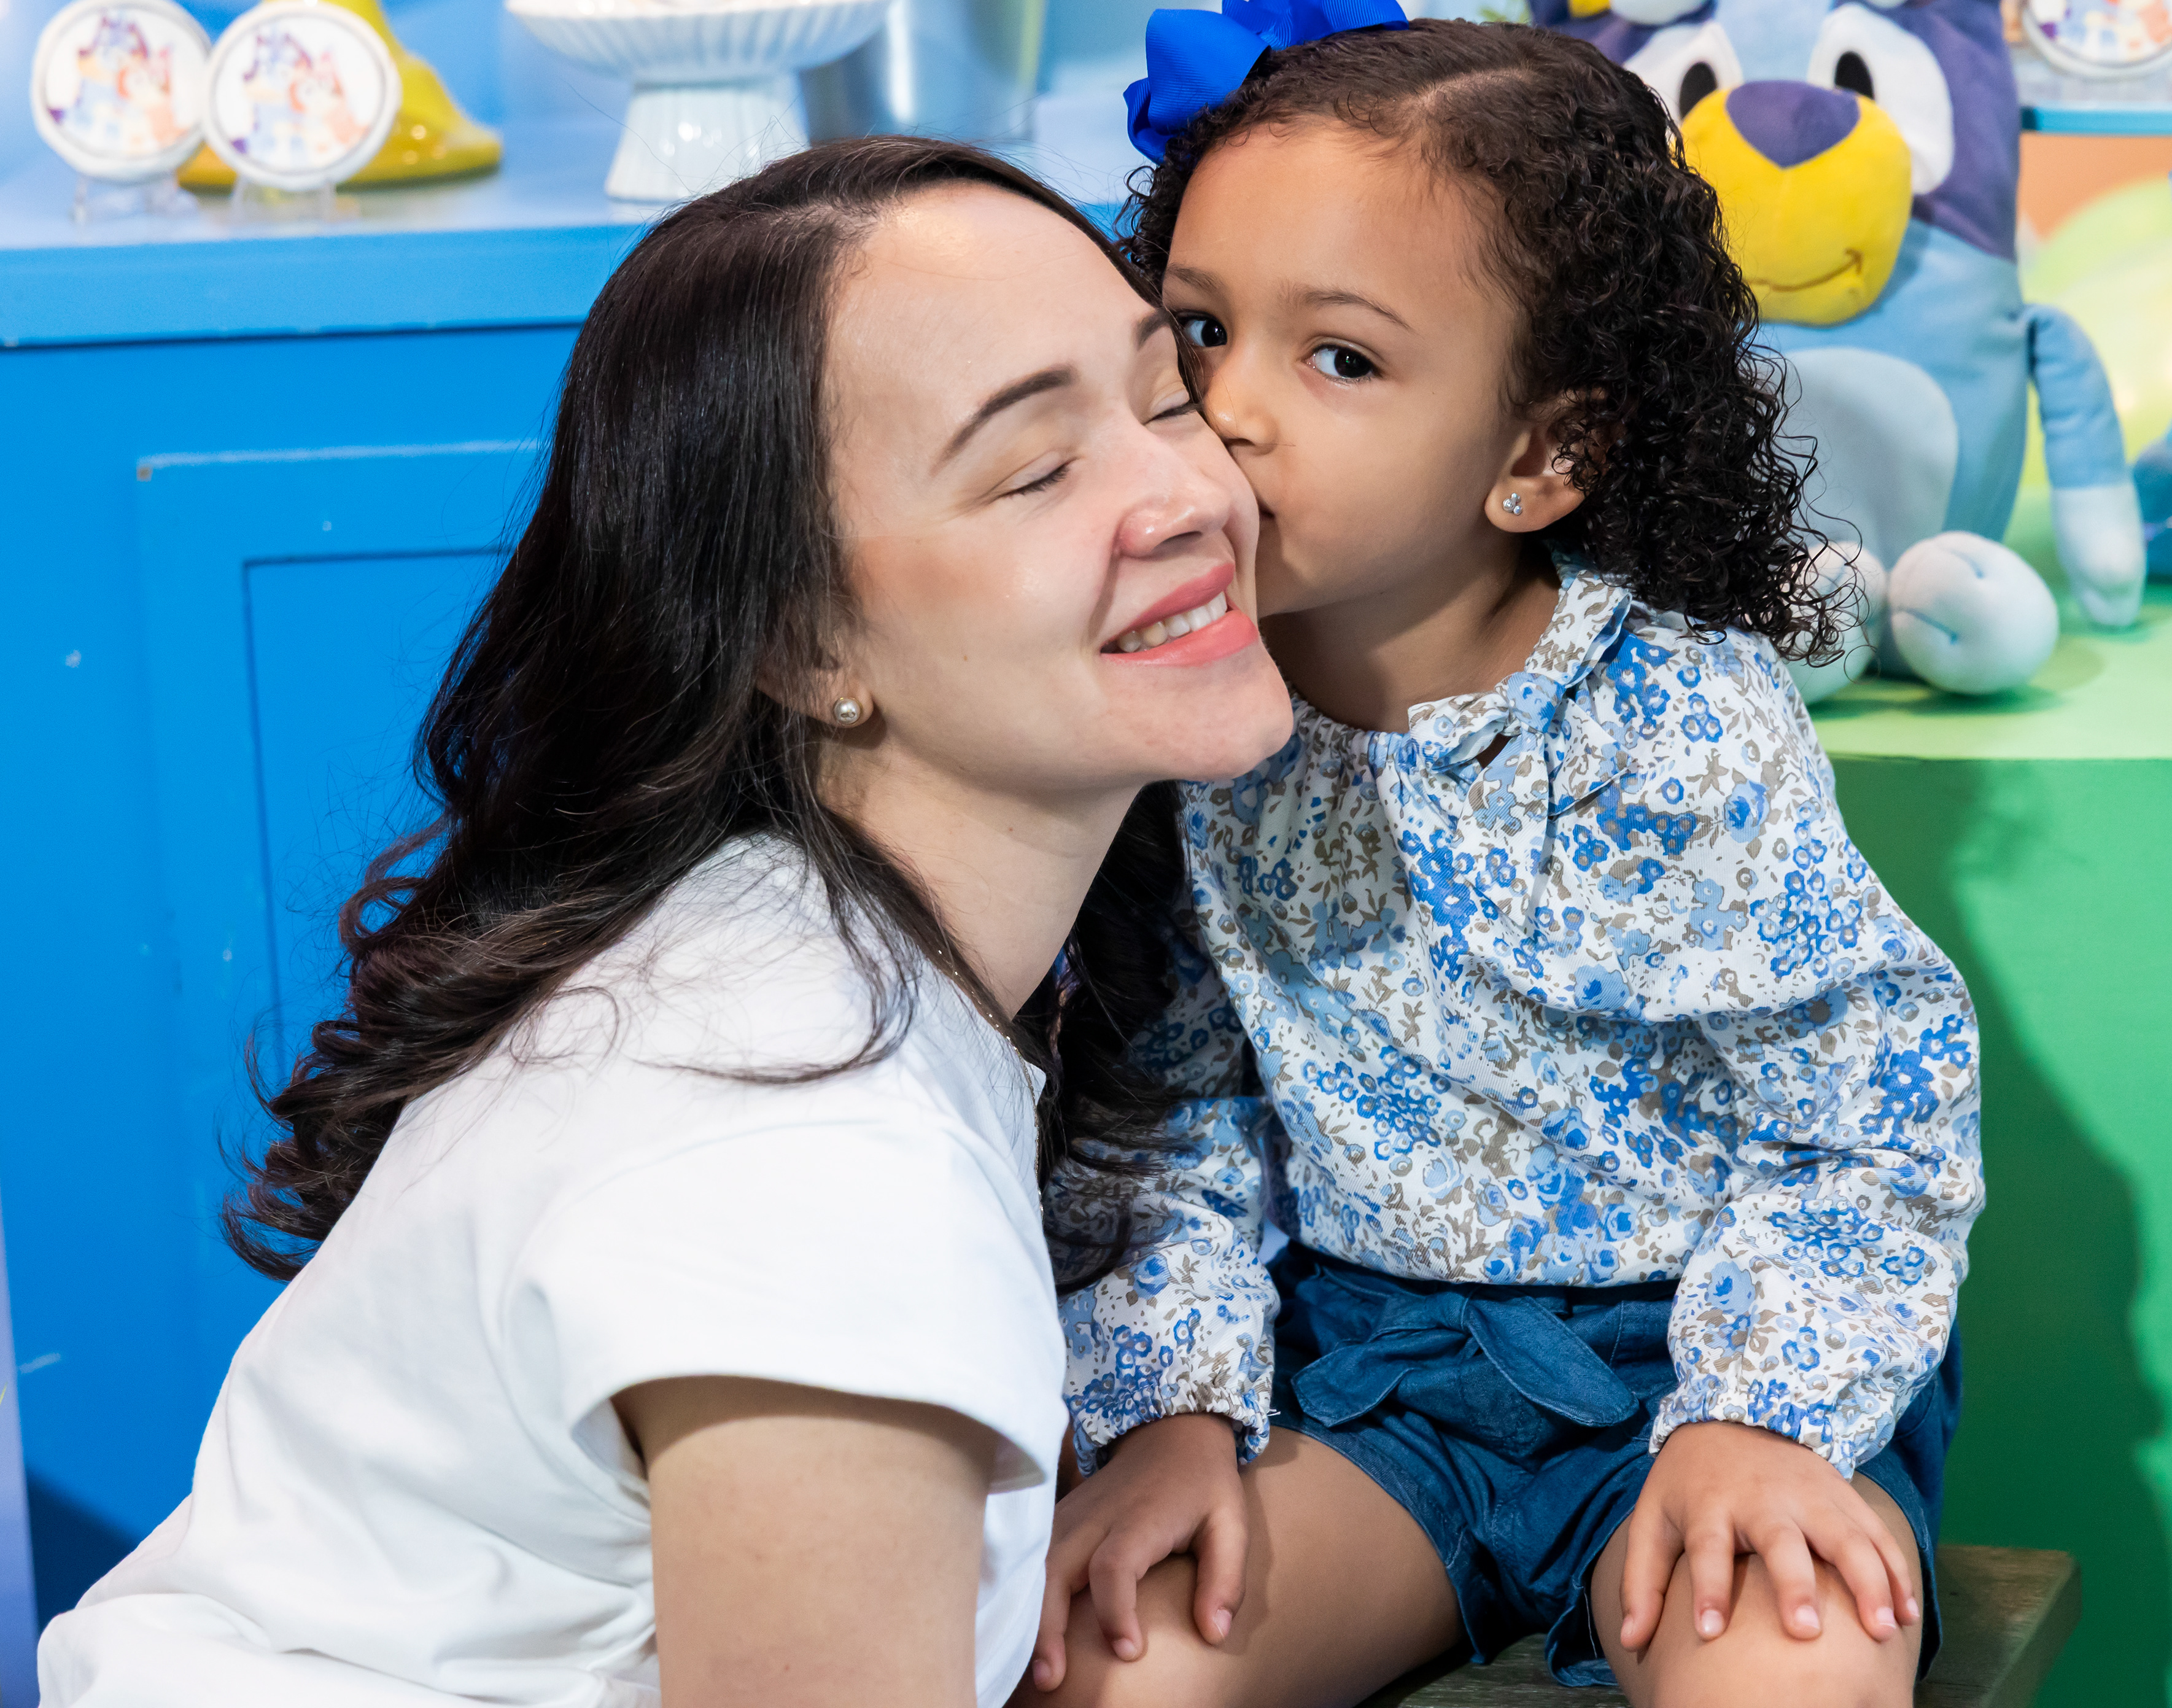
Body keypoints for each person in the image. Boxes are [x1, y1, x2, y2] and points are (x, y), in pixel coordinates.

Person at [37, 136, 1297, 1708]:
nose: (1187, 494)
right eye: (1036, 470)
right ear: (801, 642)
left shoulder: (786, 927)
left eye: (1168, 397)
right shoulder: (817, 1171)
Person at [1025, 0, 1984, 1708]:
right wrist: (1167, 1415)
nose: (1230, 412)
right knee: (1117, 1660)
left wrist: (1762, 1419)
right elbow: (1163, 1113)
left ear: (1541, 456)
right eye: (1199, 332)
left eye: (1339, 357)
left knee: (1798, 1664)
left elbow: (1865, 1113)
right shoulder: (1185, 716)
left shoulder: (1676, 714)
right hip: (1374, 1380)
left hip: (1714, 1348)